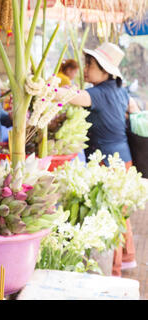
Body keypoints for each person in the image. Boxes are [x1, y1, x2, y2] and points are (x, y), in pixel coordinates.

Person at [56, 42, 137, 277]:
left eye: (89, 64)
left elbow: (73, 96)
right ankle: (127, 258)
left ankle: (113, 272)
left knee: (108, 216)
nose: (85, 68)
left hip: (108, 163)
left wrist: (46, 88)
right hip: (123, 159)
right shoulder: (119, 89)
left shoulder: (99, 93)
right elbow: (134, 108)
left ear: (105, 70)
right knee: (119, 211)